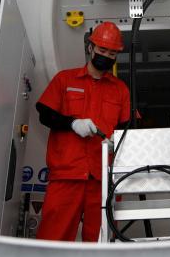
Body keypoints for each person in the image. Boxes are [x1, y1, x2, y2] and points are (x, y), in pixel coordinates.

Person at [35, 21, 130, 242]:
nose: (106, 56)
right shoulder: (64, 79)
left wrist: (117, 141)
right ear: (90, 47)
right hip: (67, 175)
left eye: (112, 53)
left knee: (101, 241)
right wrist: (72, 123)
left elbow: (128, 128)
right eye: (102, 50)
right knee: (53, 238)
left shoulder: (120, 90)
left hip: (103, 179)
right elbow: (44, 114)